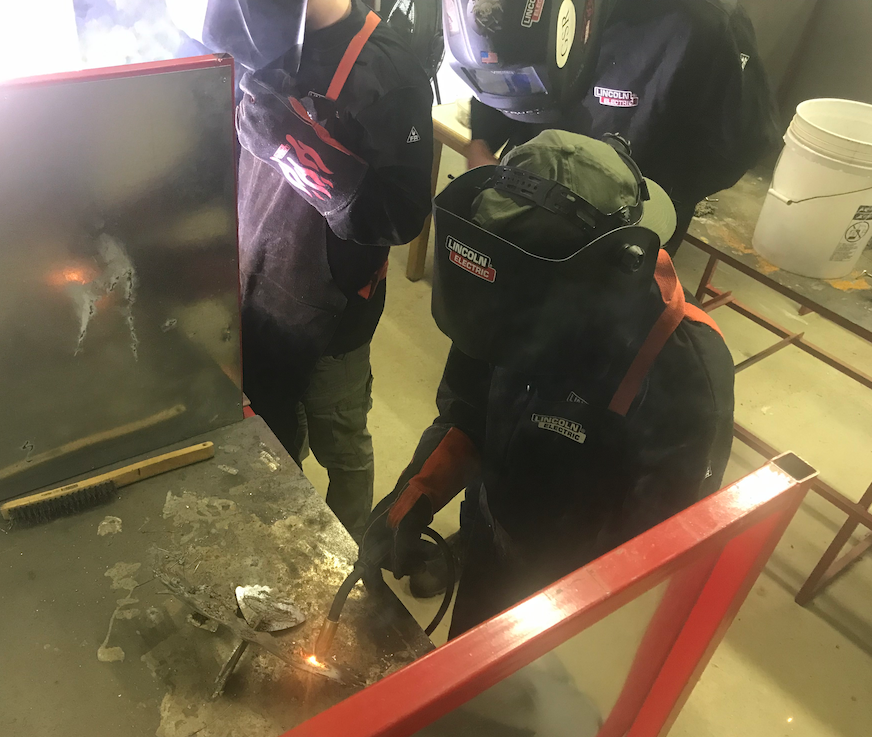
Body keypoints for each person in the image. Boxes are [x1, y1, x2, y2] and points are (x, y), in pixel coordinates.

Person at [360, 130, 735, 635]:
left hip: (576, 588)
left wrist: (559, 611)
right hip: (491, 531)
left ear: (612, 267)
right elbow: (470, 408)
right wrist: (418, 493)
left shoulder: (684, 373)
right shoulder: (506, 295)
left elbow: (657, 541)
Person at [234, 0, 434, 538]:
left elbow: (400, 215)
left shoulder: (388, 75)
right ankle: (298, 543)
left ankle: (351, 553)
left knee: (341, 444)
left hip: (334, 317)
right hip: (260, 289)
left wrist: (291, 146)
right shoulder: (259, 38)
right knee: (280, 439)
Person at [446, 0, 778, 253]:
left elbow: (738, 144)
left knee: (590, 321)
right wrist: (481, 143)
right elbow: (500, 62)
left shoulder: (704, 23)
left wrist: (644, 200)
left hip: (618, 230)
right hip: (522, 201)